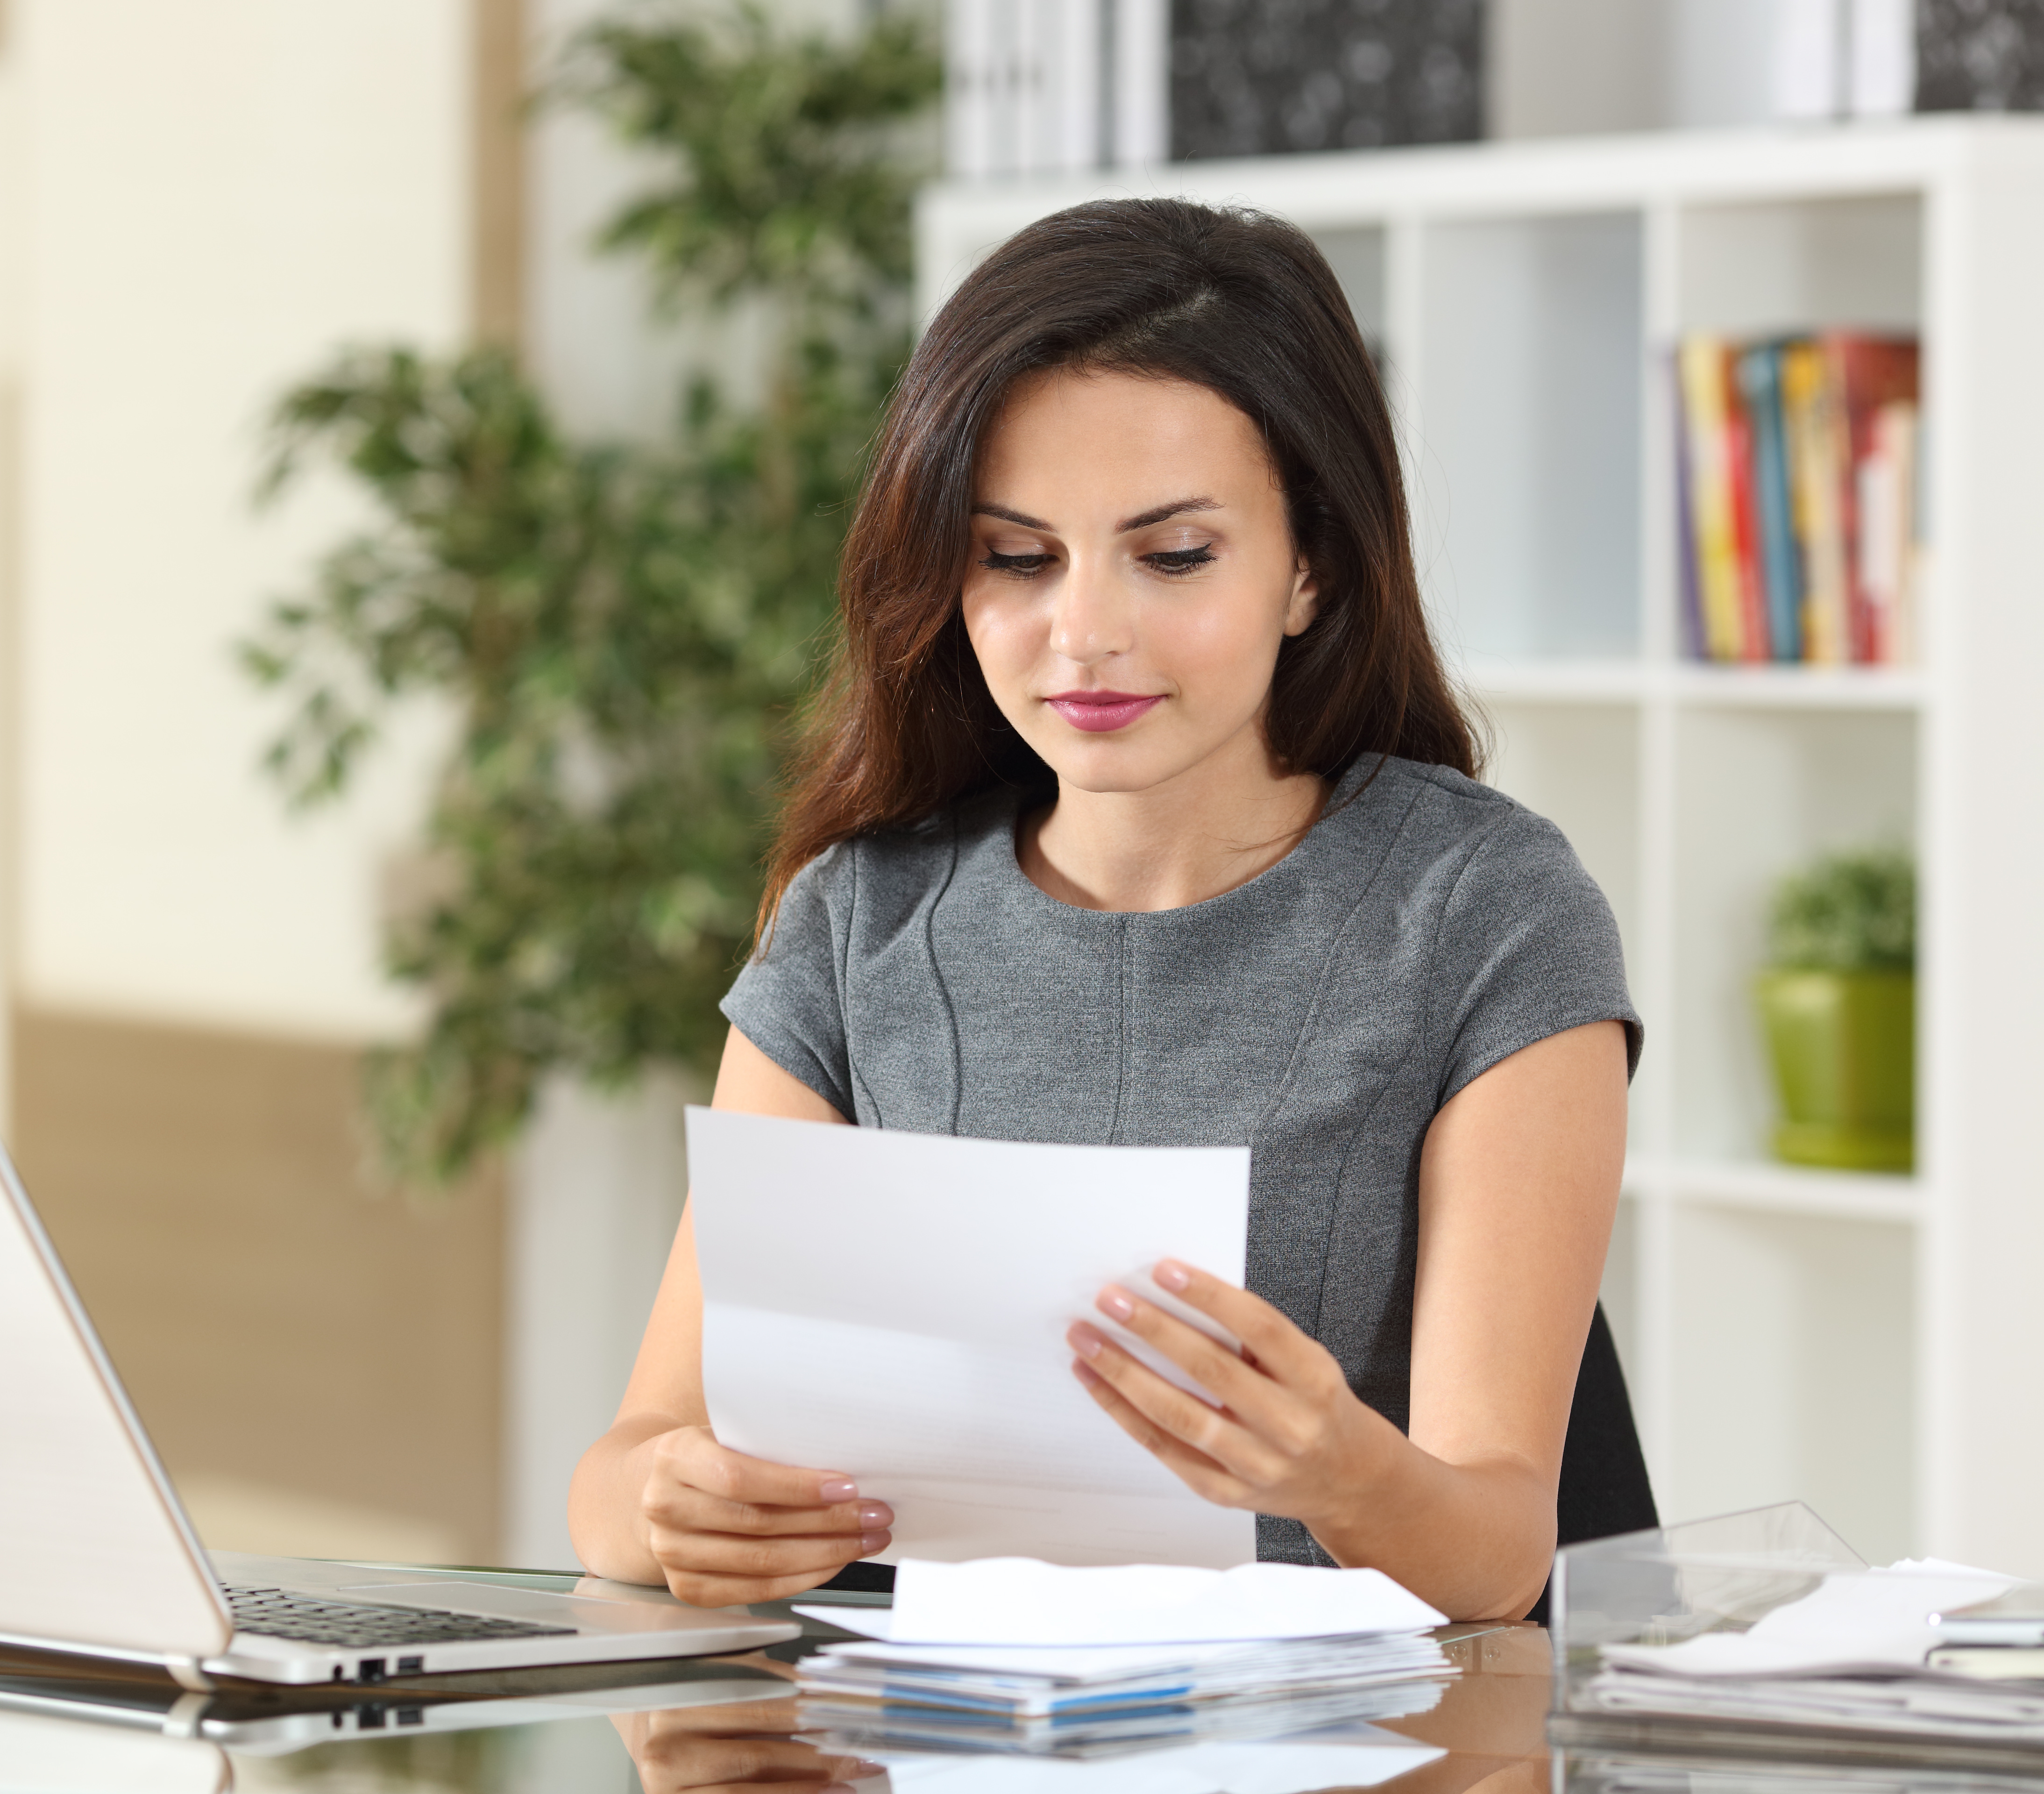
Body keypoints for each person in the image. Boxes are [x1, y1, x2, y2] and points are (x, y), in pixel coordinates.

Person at [566, 198, 1653, 1623]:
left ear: (1310, 564)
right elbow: (626, 1469)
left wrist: (1343, 1475)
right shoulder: (855, 923)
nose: (1086, 631)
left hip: (1341, 1753)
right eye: (1018, 558)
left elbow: (1504, 1549)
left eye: (1176, 554)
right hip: (921, 1739)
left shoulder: (1486, 914)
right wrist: (672, 1506)